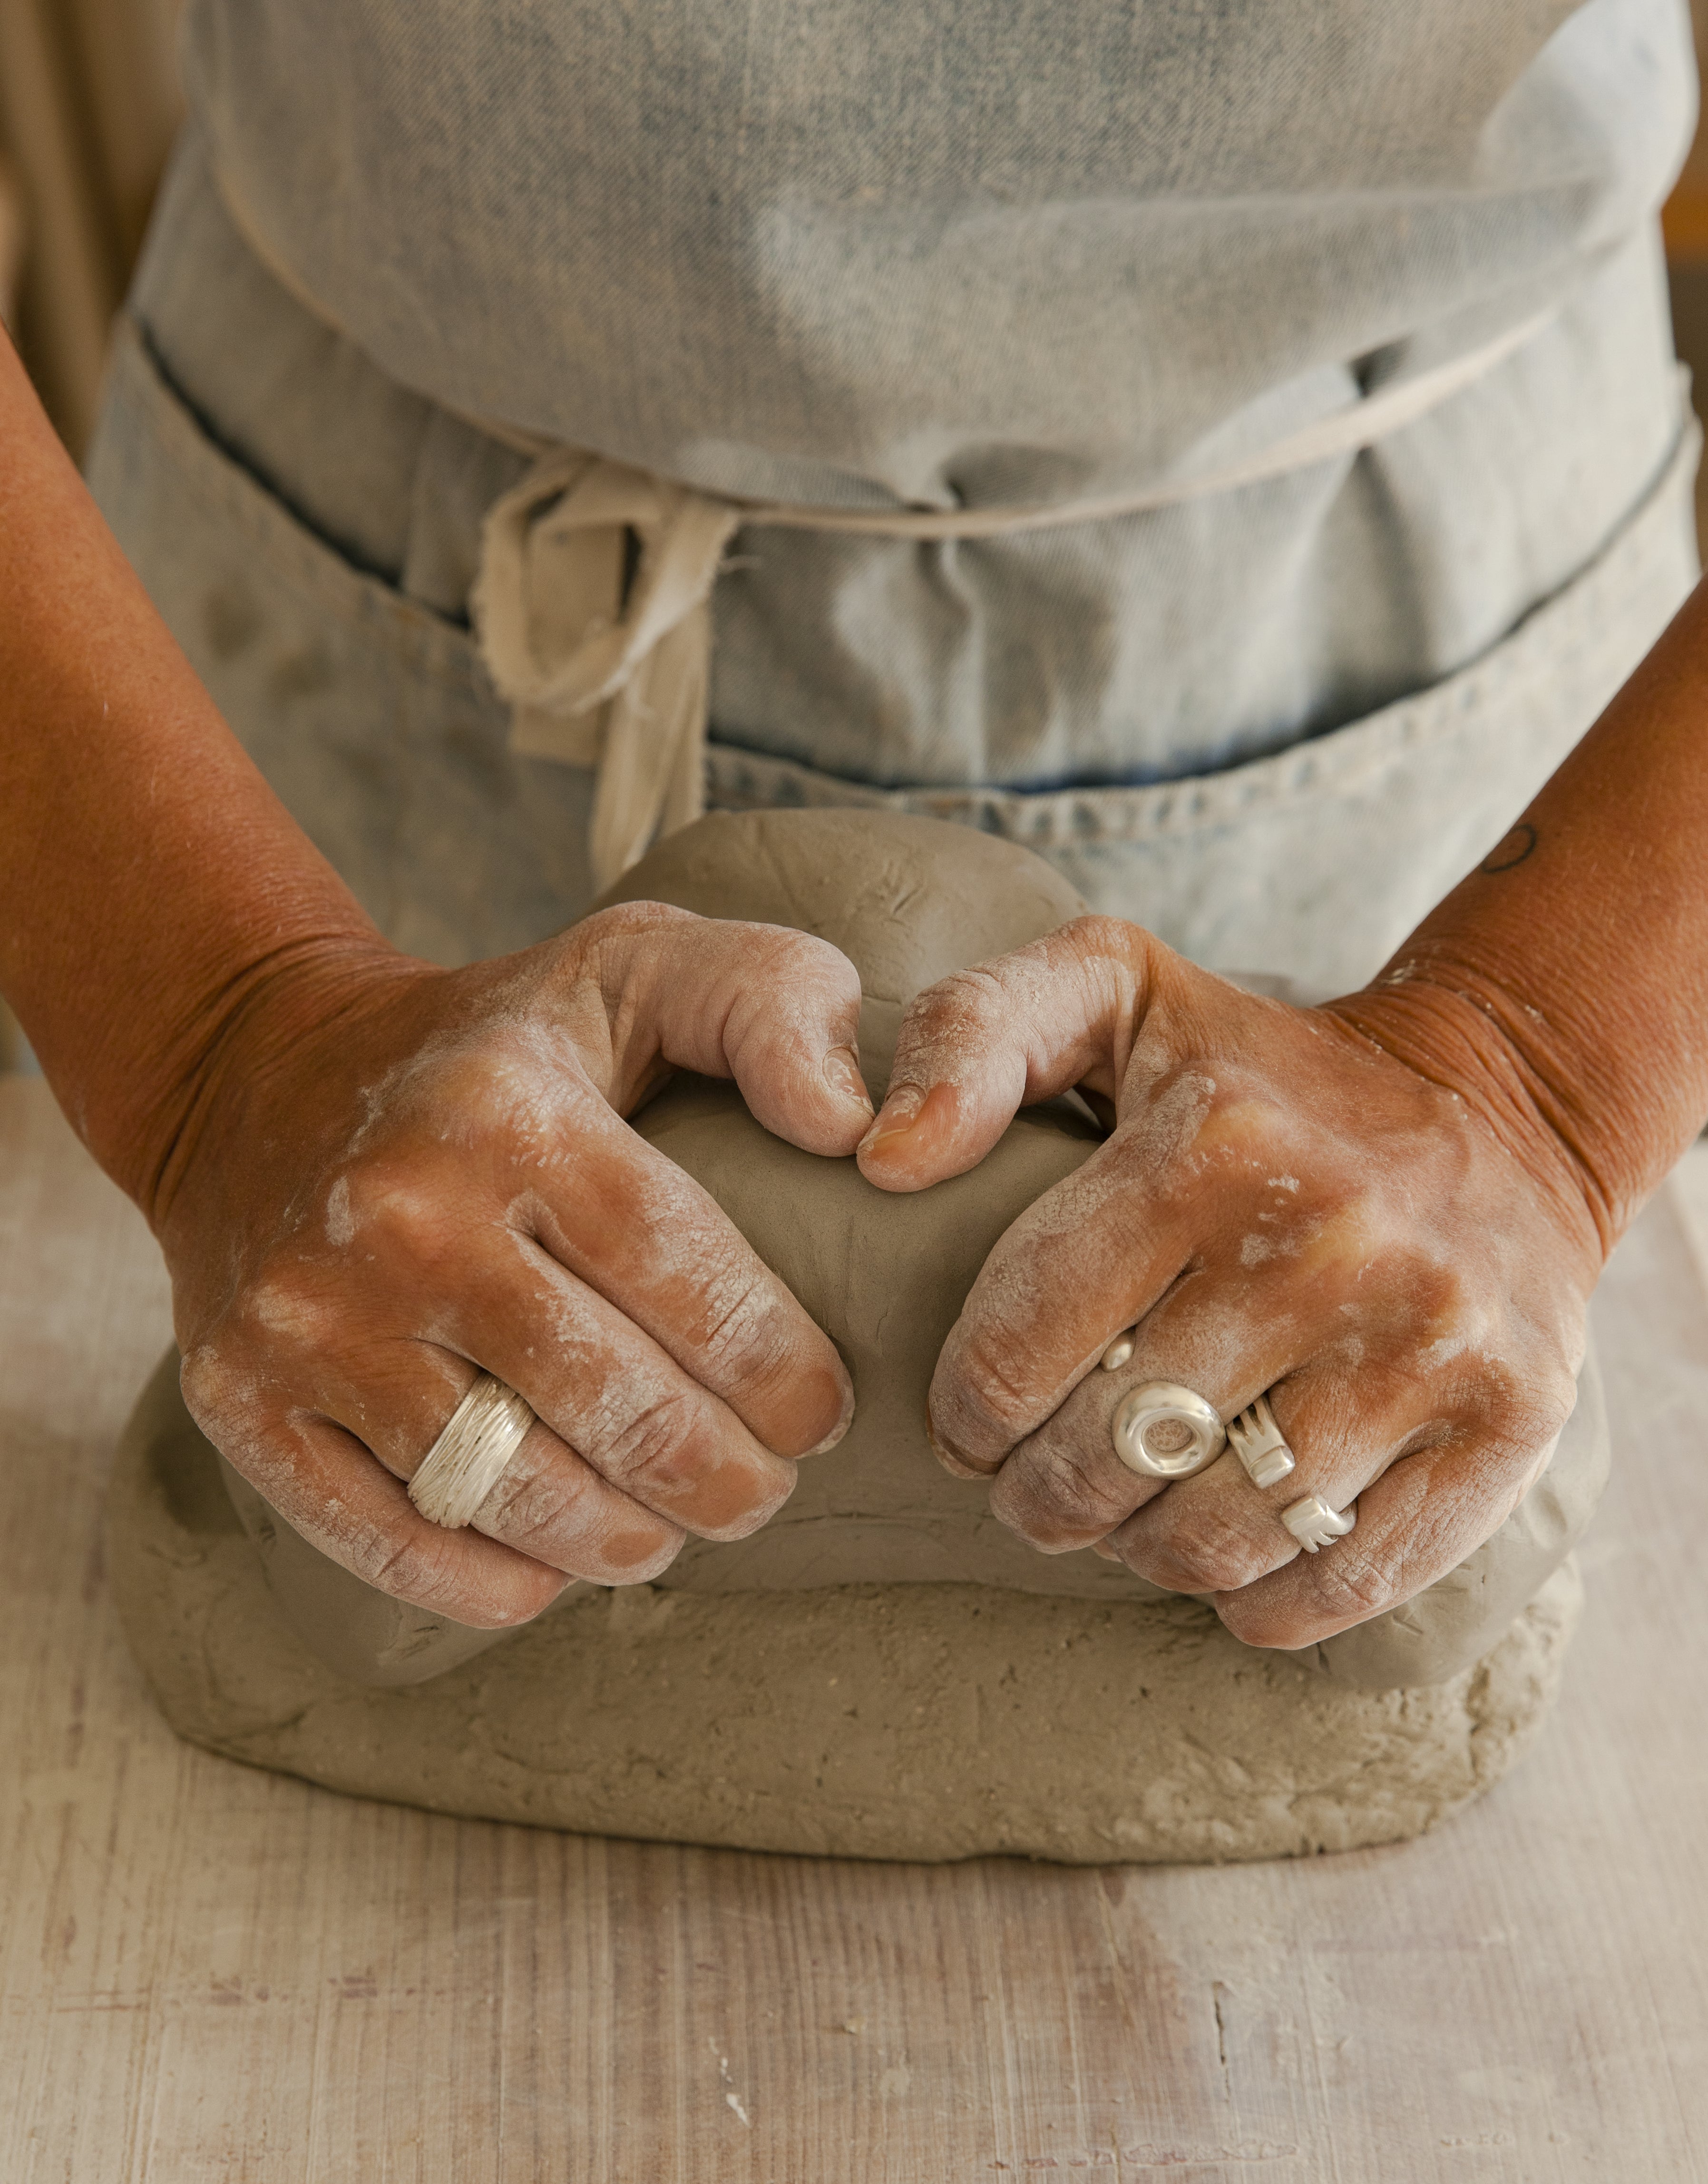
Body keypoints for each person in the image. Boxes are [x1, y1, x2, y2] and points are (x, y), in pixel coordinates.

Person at [4, 0, 1707, 1659]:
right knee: (339, 1508)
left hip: (1458, 688)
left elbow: (1529, 1097)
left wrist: (1533, 1069)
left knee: (1391, 1531)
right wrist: (214, 1031)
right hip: (256, 670)